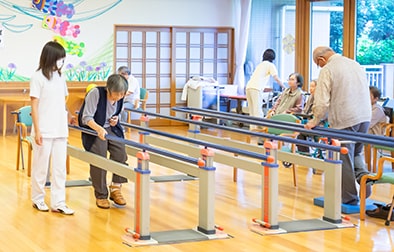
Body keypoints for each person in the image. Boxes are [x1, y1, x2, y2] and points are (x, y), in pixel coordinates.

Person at [305, 46, 372, 205]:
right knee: (356, 153)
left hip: (345, 118)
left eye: (318, 64)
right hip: (364, 116)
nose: (319, 67)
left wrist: (314, 121)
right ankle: (365, 181)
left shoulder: (328, 69)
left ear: (321, 60)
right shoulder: (354, 64)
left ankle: (348, 198)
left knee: (344, 157)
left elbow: (321, 101)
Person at [30, 41, 75, 215]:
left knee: (59, 168)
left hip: (60, 128)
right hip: (44, 129)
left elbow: (62, 102)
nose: (61, 62)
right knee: (41, 167)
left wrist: (69, 116)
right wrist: (38, 130)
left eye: (63, 59)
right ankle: (38, 199)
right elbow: (34, 106)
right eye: (59, 58)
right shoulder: (37, 77)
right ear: (50, 57)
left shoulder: (61, 77)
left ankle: (59, 202)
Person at [78, 74, 129, 209]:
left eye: (121, 95)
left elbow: (118, 113)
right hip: (94, 129)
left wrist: (115, 119)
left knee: (121, 154)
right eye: (115, 95)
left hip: (111, 128)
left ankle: (116, 189)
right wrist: (99, 129)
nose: (118, 98)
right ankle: (101, 194)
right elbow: (86, 118)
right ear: (108, 89)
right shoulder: (95, 93)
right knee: (99, 158)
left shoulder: (121, 97)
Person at [246, 49, 285, 129]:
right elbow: (276, 78)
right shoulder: (270, 65)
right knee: (257, 112)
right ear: (273, 57)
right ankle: (261, 131)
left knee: (252, 112)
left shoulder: (260, 65)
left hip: (249, 87)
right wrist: (284, 87)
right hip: (256, 88)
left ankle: (252, 131)